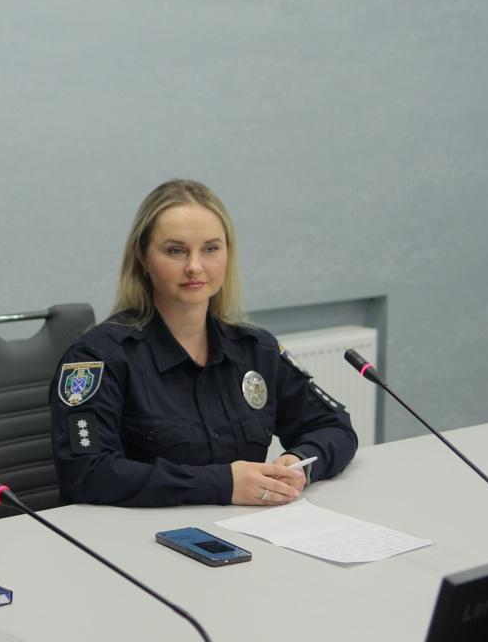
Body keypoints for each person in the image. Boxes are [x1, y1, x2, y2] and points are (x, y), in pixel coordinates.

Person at [49, 180, 357, 507]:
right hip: (139, 533)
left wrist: (299, 463)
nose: (194, 266)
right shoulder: (99, 357)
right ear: (142, 256)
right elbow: (86, 473)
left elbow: (334, 427)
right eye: (176, 250)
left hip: (244, 528)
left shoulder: (256, 350)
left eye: (210, 249)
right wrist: (223, 484)